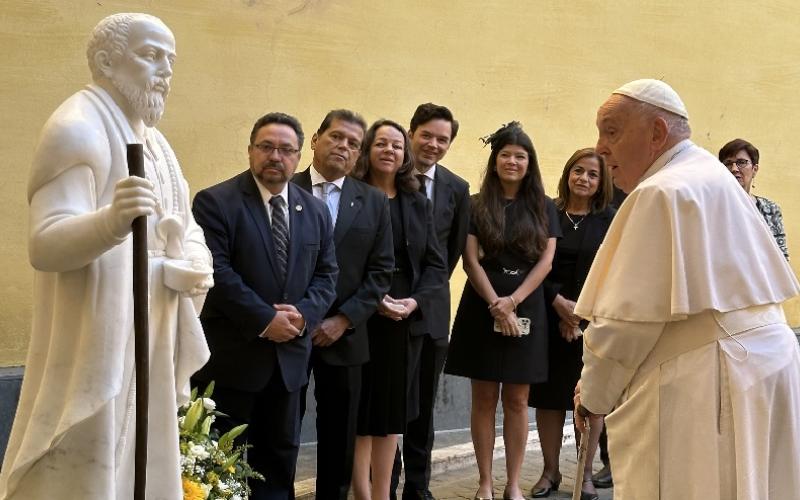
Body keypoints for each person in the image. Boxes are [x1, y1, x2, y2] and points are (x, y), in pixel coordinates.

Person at [0, 13, 213, 500]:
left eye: (171, 60)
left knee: (142, 461)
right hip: (97, 339)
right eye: (150, 55)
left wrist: (197, 263)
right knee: (86, 467)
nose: (165, 71)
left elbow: (184, 223)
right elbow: (45, 243)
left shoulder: (157, 144)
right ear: (105, 61)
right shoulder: (76, 127)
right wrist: (109, 222)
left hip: (152, 330)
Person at [573, 79, 800, 499]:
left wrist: (594, 393)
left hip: (713, 377)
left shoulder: (663, 190)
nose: (601, 147)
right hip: (762, 365)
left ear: (657, 132)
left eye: (611, 131)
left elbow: (625, 324)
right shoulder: (712, 176)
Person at [192, 112, 338, 500]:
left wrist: (303, 316)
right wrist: (264, 319)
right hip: (234, 362)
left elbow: (327, 275)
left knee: (279, 461)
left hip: (290, 361)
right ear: (251, 150)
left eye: (286, 149)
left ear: (297, 155)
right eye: (267, 147)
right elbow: (216, 273)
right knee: (224, 466)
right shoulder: (215, 202)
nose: (276, 156)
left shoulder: (316, 211)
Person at [445, 122, 560, 500]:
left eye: (520, 156)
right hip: (482, 307)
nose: (512, 161)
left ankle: (512, 484)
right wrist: (497, 303)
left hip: (526, 310)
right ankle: (483, 482)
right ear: (495, 161)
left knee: (517, 400)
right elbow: (470, 260)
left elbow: (546, 262)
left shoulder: (545, 206)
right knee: (483, 398)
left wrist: (513, 302)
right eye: (505, 155)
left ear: (530, 164)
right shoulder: (476, 204)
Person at [292, 109, 394, 500]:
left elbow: (380, 272)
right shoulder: (286, 186)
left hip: (346, 337)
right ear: (316, 139)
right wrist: (299, 317)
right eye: (336, 137)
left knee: (339, 434)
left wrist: (343, 320)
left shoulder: (372, 202)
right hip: (290, 333)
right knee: (283, 428)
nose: (344, 147)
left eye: (353, 144)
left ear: (358, 156)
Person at [349, 119, 447, 500]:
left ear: (405, 155)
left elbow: (436, 265)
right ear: (367, 151)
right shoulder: (353, 197)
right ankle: (360, 492)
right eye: (381, 144)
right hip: (358, 316)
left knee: (391, 415)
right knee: (360, 413)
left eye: (396, 145)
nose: (389, 150)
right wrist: (371, 301)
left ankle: (381, 494)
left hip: (402, 318)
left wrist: (415, 301)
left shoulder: (418, 202)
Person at [391, 103, 470, 500]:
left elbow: (451, 253)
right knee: (388, 402)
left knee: (423, 405)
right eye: (427, 135)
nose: (434, 145)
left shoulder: (457, 189)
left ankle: (418, 485)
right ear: (411, 133)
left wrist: (423, 297)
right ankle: (384, 480)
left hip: (432, 311)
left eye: (443, 139)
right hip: (386, 310)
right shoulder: (387, 177)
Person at [528, 148, 615, 500]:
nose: (584, 178)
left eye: (593, 174)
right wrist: (557, 304)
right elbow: (534, 261)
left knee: (590, 400)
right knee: (548, 399)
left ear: (601, 182)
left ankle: (585, 474)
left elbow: (612, 272)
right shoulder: (547, 212)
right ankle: (550, 472)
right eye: (578, 171)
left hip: (593, 324)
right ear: (567, 173)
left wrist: (579, 315)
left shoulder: (610, 220)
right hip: (547, 319)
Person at [718, 138, 789, 259]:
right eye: (728, 163)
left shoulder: (770, 209)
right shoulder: (712, 207)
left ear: (754, 170)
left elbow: (781, 258)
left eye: (741, 162)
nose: (734, 169)